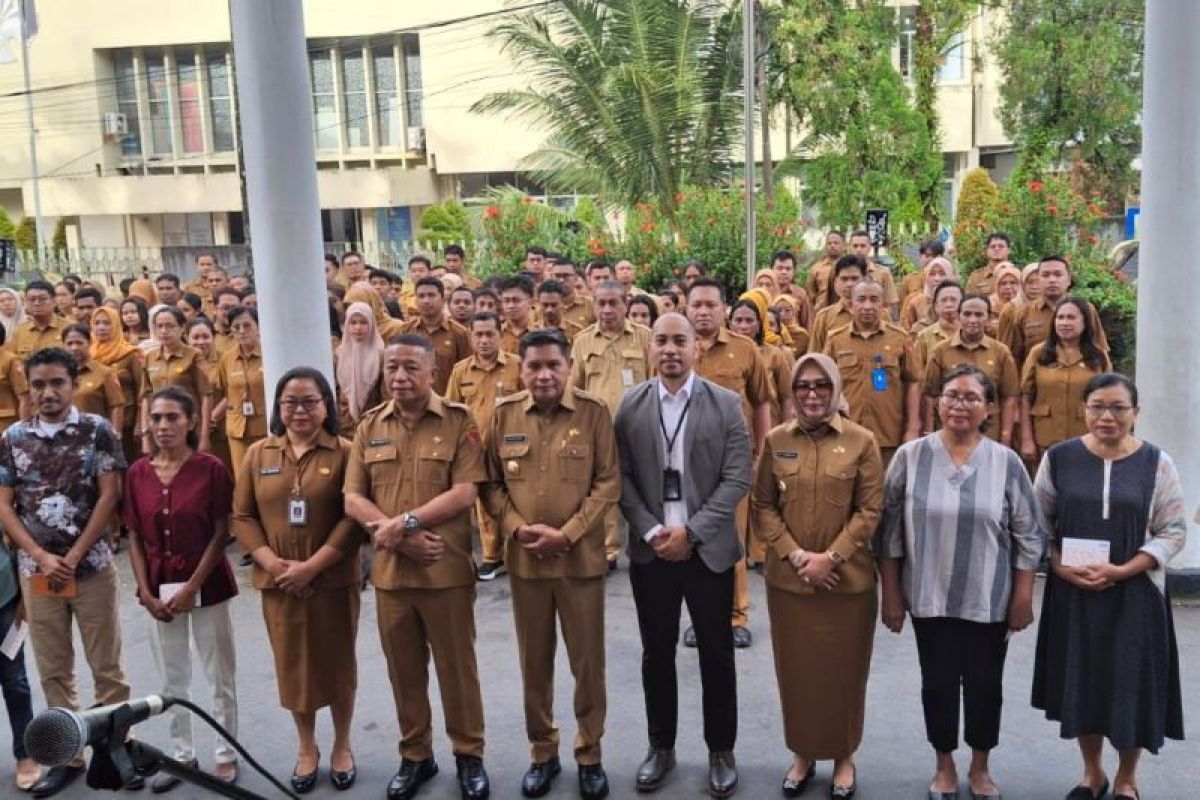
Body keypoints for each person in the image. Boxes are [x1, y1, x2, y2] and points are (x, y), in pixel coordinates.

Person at [880, 366, 1044, 800]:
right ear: (937, 402)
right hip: (927, 594)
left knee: (985, 686)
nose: (960, 404)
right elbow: (889, 532)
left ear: (989, 408)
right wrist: (891, 594)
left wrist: (1023, 595)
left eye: (972, 398)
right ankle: (944, 765)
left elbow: (1029, 534)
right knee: (937, 683)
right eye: (953, 395)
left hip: (987, 597)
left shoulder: (1005, 462)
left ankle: (980, 766)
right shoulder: (910, 457)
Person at [344, 334, 490, 800]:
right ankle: (416, 756)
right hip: (391, 575)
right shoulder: (370, 426)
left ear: (432, 374)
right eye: (392, 369)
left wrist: (405, 523)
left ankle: (469, 756)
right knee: (403, 671)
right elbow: (352, 498)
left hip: (444, 571)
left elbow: (466, 492)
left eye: (410, 368)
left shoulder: (459, 421)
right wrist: (398, 538)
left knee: (456, 670)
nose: (400, 377)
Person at [1031, 373, 1186, 800]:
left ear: (1135, 412)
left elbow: (1172, 530)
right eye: (1098, 406)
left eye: (1119, 407)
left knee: (1131, 683)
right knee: (1086, 680)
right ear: (1085, 409)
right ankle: (1092, 773)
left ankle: (1126, 778)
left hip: (1135, 593)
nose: (1107, 416)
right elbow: (1036, 524)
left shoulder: (1157, 462)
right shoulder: (1059, 459)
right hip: (1074, 593)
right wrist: (1059, 567)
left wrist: (1123, 570)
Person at [615, 313, 751, 797]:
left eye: (679, 341)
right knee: (657, 655)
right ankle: (661, 747)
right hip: (652, 552)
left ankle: (721, 749)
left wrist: (690, 532)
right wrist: (652, 530)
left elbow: (737, 477)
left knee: (716, 654)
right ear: (649, 349)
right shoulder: (629, 406)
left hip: (708, 551)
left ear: (696, 347)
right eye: (661, 341)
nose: (670, 349)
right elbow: (621, 478)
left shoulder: (726, 404)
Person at [482, 329, 619, 800]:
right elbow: (491, 484)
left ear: (568, 367)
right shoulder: (503, 416)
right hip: (526, 565)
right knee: (534, 665)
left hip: (579, 563)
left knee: (588, 665)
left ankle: (590, 753)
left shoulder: (593, 413)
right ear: (521, 369)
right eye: (534, 366)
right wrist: (518, 528)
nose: (543, 375)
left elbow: (607, 483)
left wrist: (569, 533)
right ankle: (543, 752)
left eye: (552, 366)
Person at [0, 347, 131, 798]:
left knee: (107, 668)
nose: (47, 392)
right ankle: (69, 756)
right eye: (38, 384)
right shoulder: (13, 437)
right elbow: (4, 504)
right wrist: (38, 553)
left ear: (74, 384)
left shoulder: (98, 432)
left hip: (90, 568)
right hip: (37, 574)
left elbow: (110, 495)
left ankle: (117, 751)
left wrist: (72, 556)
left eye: (57, 382)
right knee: (54, 670)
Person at [752, 353, 883, 799]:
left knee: (844, 673)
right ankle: (804, 754)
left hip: (846, 585)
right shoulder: (776, 440)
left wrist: (831, 557)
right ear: (793, 391)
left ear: (835, 389)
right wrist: (795, 557)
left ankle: (844, 756)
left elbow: (870, 511)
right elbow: (762, 506)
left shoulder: (862, 441)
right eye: (804, 386)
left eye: (821, 386)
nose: (812, 394)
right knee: (797, 672)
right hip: (790, 584)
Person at [233, 368, 362, 794]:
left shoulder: (346, 451)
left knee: (338, 663)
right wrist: (274, 564)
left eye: (310, 401)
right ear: (278, 408)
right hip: (279, 583)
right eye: (291, 402)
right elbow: (243, 516)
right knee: (293, 668)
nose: (300, 410)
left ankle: (343, 745)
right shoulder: (258, 454)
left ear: (327, 405)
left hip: (333, 579)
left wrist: (314, 566)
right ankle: (307, 747)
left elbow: (353, 515)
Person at [124, 386, 239, 789]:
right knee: (171, 678)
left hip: (206, 582)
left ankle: (226, 752)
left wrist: (192, 586)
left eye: (173, 417)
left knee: (219, 672)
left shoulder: (210, 469)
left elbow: (222, 531)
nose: (163, 426)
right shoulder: (137, 473)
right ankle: (181, 754)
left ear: (191, 422)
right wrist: (146, 592)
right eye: (156, 418)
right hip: (158, 585)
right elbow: (134, 537)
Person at [686, 277, 770, 648]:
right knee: (690, 541)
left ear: (724, 309)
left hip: (732, 463)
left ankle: (737, 617)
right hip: (685, 465)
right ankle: (698, 619)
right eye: (697, 305)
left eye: (711, 305)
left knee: (731, 541)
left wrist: (761, 454)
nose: (703, 312)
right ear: (686, 309)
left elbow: (763, 401)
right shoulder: (676, 348)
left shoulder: (744, 349)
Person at [571, 282, 653, 571]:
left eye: (612, 303)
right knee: (602, 488)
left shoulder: (644, 337)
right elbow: (575, 387)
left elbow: (655, 383)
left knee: (642, 486)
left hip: (638, 428)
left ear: (625, 304)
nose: (606, 309)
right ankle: (607, 551)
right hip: (598, 428)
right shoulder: (582, 341)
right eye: (601, 303)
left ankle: (646, 541)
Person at [445, 312, 523, 581]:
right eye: (478, 335)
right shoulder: (460, 371)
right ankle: (492, 556)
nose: (484, 340)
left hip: (513, 447)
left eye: (490, 334)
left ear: (500, 336)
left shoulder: (517, 366)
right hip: (475, 447)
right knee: (485, 502)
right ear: (471, 337)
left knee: (516, 500)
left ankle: (520, 551)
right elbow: (451, 411)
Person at [823, 280, 921, 466]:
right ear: (851, 305)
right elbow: (825, 384)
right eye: (861, 299)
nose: (868, 305)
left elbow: (913, 382)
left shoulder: (900, 338)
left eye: (874, 299)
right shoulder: (836, 340)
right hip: (845, 433)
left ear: (882, 304)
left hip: (889, 435)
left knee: (887, 490)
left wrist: (912, 428)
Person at [1019, 297, 1112, 467]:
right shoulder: (1039, 353)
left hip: (1086, 438)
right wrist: (1026, 439)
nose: (1064, 323)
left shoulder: (1098, 356)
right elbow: (1025, 396)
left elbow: (1109, 400)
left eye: (1071, 317)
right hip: (1046, 438)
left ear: (1085, 322)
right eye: (1060, 318)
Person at [923, 295, 1020, 445]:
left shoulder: (1000, 352)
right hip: (949, 432)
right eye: (967, 314)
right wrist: (929, 433)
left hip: (989, 434)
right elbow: (931, 395)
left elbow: (1009, 396)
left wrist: (1006, 436)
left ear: (988, 318)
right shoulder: (941, 351)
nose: (973, 320)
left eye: (979, 315)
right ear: (958, 316)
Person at [1000, 255, 1108, 368]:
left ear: (1069, 279)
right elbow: (1011, 358)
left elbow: (1101, 351)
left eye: (1058, 274)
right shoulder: (1022, 314)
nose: (1052, 280)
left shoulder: (1087, 310)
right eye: (1045, 275)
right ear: (1039, 280)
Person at [139, 306, 211, 453]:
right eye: (159, 326)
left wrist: (204, 436)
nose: (164, 331)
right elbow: (146, 397)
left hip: (187, 427)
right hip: (159, 426)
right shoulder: (150, 357)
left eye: (170, 326)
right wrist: (145, 435)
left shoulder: (194, 355)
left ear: (182, 328)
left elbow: (206, 395)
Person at [398, 277, 472, 396]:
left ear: (443, 300)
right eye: (421, 296)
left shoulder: (459, 333)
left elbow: (467, 373)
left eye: (431, 295)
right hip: (412, 401)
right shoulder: (405, 331)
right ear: (416, 301)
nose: (426, 301)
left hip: (446, 404)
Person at [214, 306, 267, 470]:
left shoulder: (269, 353)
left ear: (258, 327)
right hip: (238, 428)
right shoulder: (227, 358)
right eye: (236, 327)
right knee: (243, 475)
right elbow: (225, 388)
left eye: (247, 326)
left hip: (265, 426)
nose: (242, 331)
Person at [729, 296, 795, 426]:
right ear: (730, 324)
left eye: (749, 321)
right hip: (733, 430)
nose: (744, 326)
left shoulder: (775, 354)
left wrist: (786, 432)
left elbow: (787, 396)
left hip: (770, 428)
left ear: (759, 325)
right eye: (738, 320)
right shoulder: (723, 354)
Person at [90, 306, 142, 459]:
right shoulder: (88, 354)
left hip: (126, 423)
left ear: (116, 324)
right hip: (96, 421)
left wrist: (140, 423)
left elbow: (143, 389)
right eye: (97, 323)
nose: (101, 327)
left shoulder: (130, 354)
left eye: (107, 323)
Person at [187, 317, 232, 475]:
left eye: (205, 336)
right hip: (190, 428)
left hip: (219, 427)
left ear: (213, 338)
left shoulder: (225, 359)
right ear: (187, 338)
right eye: (195, 337)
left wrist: (213, 417)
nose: (201, 342)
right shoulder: (185, 360)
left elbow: (232, 391)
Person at [334, 301, 386, 437]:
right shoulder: (339, 354)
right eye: (353, 322)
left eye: (363, 322)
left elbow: (386, 394)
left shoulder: (381, 355)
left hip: (374, 424)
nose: (358, 327)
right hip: (345, 426)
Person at [61, 325, 123, 431]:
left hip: (95, 435)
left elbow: (117, 406)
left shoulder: (105, 373)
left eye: (79, 343)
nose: (74, 348)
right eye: (69, 344)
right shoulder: (59, 373)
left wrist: (115, 435)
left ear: (89, 343)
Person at [807, 256, 864, 354]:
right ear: (836, 282)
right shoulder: (824, 317)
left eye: (855, 278)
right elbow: (815, 356)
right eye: (844, 279)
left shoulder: (880, 315)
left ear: (865, 279)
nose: (849, 284)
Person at [913, 281, 964, 376]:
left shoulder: (971, 333)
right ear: (936, 305)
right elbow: (917, 373)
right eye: (944, 300)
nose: (948, 304)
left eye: (953, 300)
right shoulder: (924, 337)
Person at [8, 281, 67, 357]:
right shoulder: (19, 331)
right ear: (26, 302)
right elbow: (11, 362)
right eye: (32, 299)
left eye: (42, 299)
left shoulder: (69, 328)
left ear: (54, 301)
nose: (36, 303)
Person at [900, 257, 954, 333]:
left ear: (950, 276)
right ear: (926, 277)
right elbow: (905, 332)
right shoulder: (916, 302)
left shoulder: (961, 302)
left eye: (942, 274)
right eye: (932, 274)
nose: (937, 278)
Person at [770, 250, 812, 329]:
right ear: (771, 269)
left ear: (794, 271)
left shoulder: (800, 294)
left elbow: (807, 325)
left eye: (788, 269)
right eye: (779, 268)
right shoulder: (765, 291)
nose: (784, 272)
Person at [805, 231, 846, 310]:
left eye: (836, 243)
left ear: (844, 246)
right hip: (822, 312)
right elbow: (810, 293)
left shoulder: (851, 266)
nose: (832, 246)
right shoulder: (816, 268)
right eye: (829, 243)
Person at [551, 259, 596, 330]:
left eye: (566, 276)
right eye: (557, 276)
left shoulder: (591, 305)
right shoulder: (543, 307)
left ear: (575, 278)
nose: (561, 280)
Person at [965, 233, 1011, 297]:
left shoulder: (1019, 275)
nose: (997, 249)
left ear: (1009, 250)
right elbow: (969, 302)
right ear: (986, 251)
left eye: (1001, 246)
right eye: (992, 246)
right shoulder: (976, 277)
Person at [499, 275, 537, 354]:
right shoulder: (496, 333)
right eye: (506, 301)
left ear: (531, 302)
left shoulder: (541, 334)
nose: (511, 306)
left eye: (516, 300)